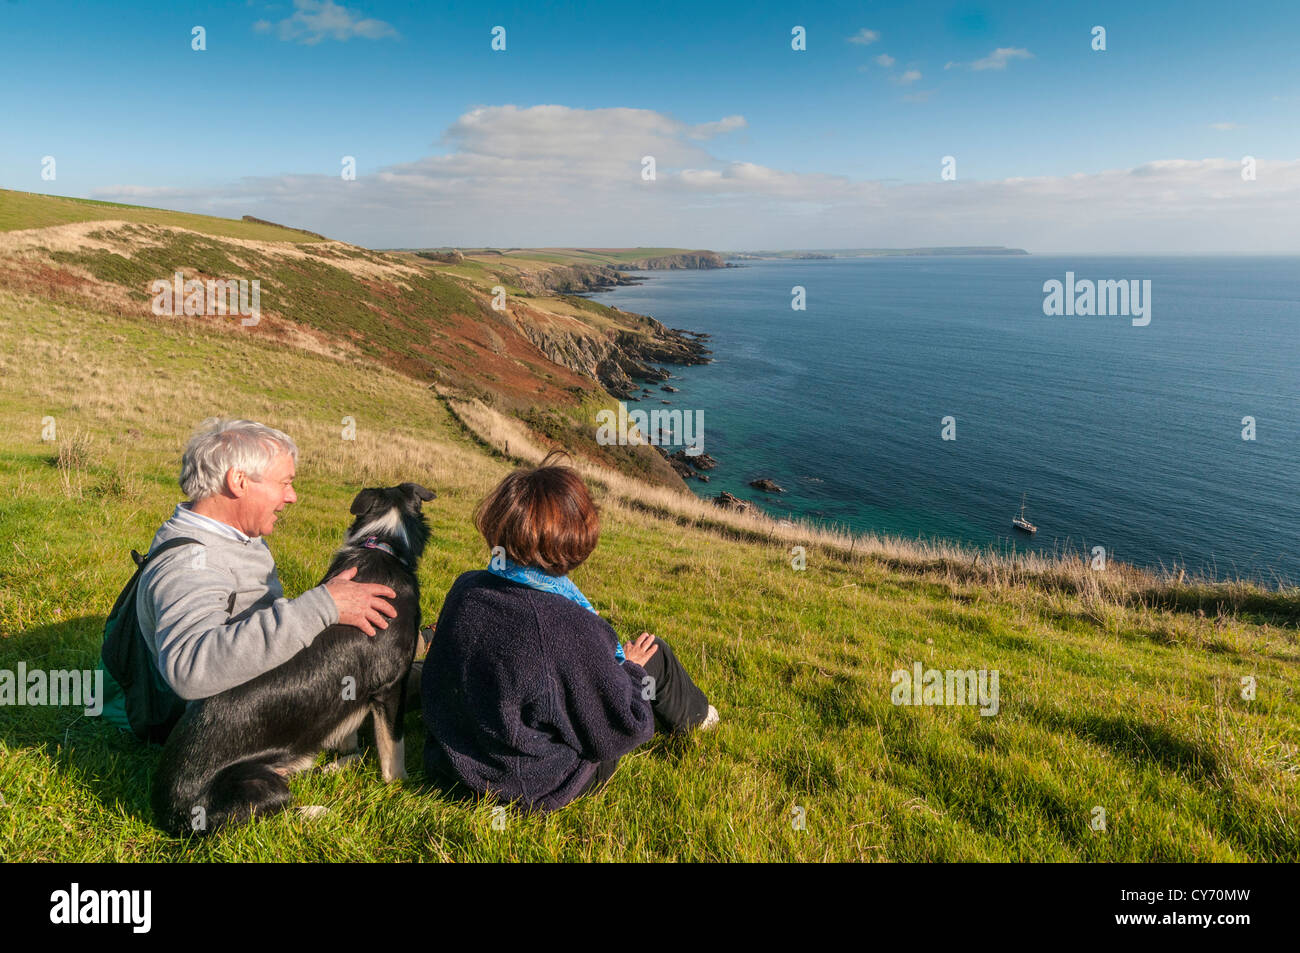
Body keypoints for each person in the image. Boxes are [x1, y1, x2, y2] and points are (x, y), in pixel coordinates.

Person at [421, 450, 718, 812]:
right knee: (654, 654)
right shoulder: (569, 626)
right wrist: (631, 669)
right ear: (577, 539)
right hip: (533, 783)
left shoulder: (467, 588)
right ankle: (701, 720)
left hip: (454, 764)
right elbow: (617, 730)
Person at [132, 418, 398, 703]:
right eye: (284, 483)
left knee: (395, 674)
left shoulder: (234, 535)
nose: (292, 497)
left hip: (261, 691)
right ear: (239, 481)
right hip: (225, 725)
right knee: (393, 682)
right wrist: (323, 606)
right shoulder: (192, 563)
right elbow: (189, 671)